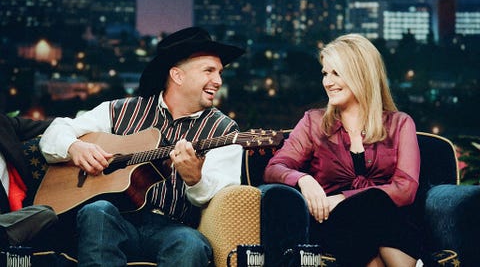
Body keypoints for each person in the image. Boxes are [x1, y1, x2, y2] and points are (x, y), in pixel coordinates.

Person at [39, 27, 245, 266]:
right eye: (208, 71)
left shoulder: (225, 131)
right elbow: (55, 132)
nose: (218, 81)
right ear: (178, 76)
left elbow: (223, 189)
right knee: (97, 212)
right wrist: (74, 148)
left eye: (220, 72)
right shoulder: (121, 110)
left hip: (173, 228)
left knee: (190, 244)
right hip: (116, 219)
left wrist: (195, 180)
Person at [264, 34, 421, 267]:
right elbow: (274, 168)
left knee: (375, 204)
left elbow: (405, 189)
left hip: (388, 223)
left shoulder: (400, 123)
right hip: (333, 224)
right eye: (325, 74)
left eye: (336, 73)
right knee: (367, 213)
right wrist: (304, 180)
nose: (327, 82)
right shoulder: (313, 123)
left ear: (361, 75)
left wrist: (342, 198)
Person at [0, 112, 57, 248]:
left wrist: (85, 122)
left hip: (9, 221)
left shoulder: (3, 124)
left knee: (44, 215)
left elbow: (49, 125)